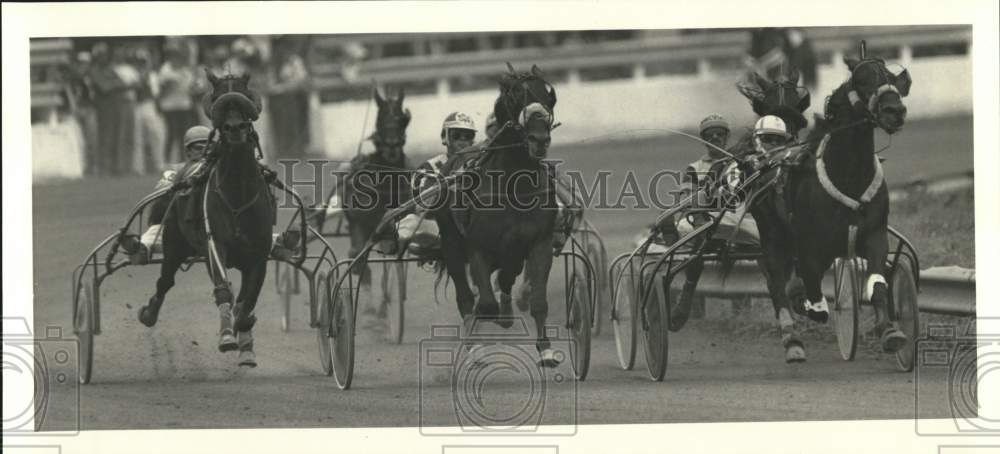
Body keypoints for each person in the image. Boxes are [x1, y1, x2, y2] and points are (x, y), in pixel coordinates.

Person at [121, 125, 297, 264]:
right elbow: (160, 203)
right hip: (181, 232)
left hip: (219, 230)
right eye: (198, 148)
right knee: (157, 232)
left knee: (250, 233)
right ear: (188, 152)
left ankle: (279, 243)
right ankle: (139, 248)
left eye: (209, 147)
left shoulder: (223, 172)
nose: (205, 153)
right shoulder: (175, 171)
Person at [396, 111, 479, 255]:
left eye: (468, 136)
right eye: (456, 135)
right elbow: (423, 207)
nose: (462, 141)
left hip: (474, 227)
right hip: (439, 228)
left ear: (473, 141)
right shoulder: (429, 167)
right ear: (445, 138)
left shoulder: (480, 164)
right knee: (408, 223)